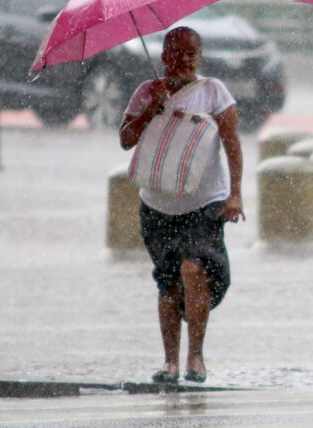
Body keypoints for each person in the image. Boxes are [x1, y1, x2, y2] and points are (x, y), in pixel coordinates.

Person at [119, 26, 244, 384]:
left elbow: (232, 141)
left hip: (205, 201)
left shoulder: (213, 91)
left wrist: (235, 193)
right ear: (163, 56)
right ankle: (170, 362)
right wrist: (150, 110)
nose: (184, 59)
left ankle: (196, 356)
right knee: (169, 283)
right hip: (157, 203)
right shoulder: (146, 92)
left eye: (192, 53)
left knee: (195, 270)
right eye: (176, 52)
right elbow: (126, 140)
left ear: (200, 56)